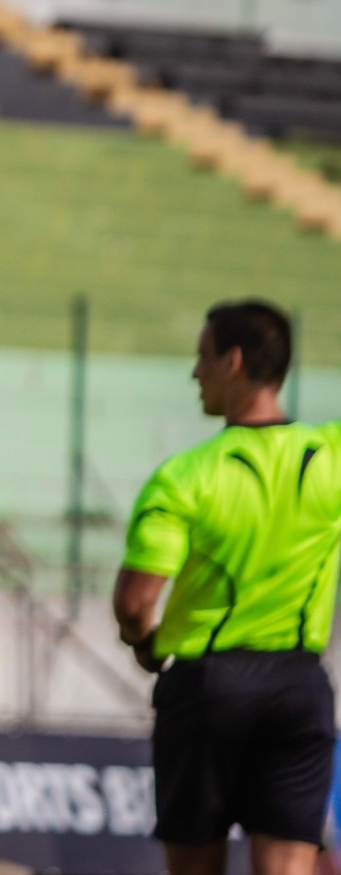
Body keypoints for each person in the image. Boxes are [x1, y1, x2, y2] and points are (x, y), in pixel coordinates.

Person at [112, 299, 340, 875]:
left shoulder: (186, 476)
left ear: (233, 362)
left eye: (202, 358)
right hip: (297, 686)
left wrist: (144, 643)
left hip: (207, 688)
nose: (195, 374)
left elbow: (136, 601)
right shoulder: (331, 457)